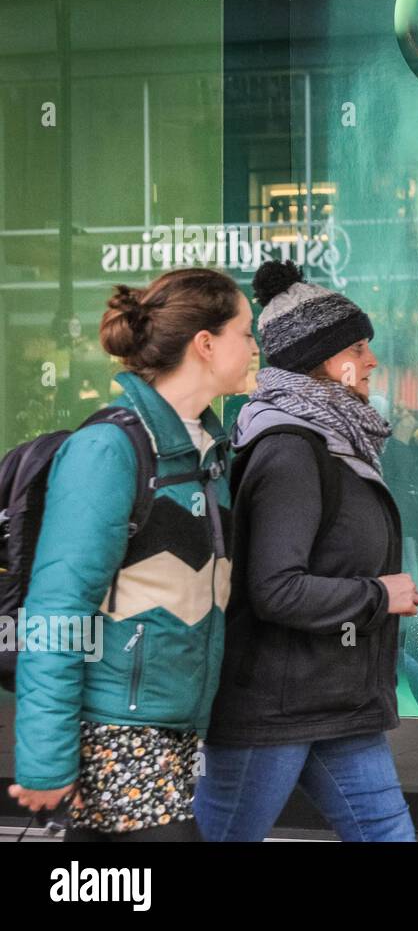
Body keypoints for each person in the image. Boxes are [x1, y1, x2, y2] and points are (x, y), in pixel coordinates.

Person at [7, 268, 256, 841]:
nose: (254, 347)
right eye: (246, 332)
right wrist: (45, 758)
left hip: (174, 733)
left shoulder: (206, 454)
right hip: (115, 736)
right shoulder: (109, 449)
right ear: (206, 343)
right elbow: (57, 608)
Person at [194, 261, 418, 842]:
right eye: (358, 347)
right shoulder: (292, 449)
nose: (371, 361)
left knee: (388, 835)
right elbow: (274, 589)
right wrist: (379, 595)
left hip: (333, 700)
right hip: (275, 707)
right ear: (322, 359)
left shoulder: (338, 440)